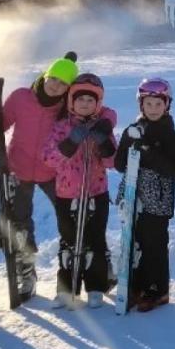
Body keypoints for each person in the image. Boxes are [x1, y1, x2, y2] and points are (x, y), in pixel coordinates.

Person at [0, 51, 78, 299]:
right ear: (45, 75)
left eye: (63, 84)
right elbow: (2, 124)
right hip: (19, 168)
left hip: (53, 170)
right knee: (21, 223)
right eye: (53, 79)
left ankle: (83, 263)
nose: (56, 86)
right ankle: (27, 271)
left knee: (71, 216)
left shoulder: (67, 108)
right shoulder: (21, 98)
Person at [42, 72, 118, 308]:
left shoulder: (102, 127)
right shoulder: (61, 127)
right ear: (71, 102)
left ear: (98, 104)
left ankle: (95, 286)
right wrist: (70, 143)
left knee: (95, 240)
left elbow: (112, 162)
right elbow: (48, 158)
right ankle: (66, 289)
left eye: (90, 101)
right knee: (69, 240)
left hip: (96, 192)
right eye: (80, 100)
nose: (85, 105)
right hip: (67, 193)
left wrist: (104, 142)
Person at [114, 77, 175, 312]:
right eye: (149, 104)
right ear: (141, 105)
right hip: (134, 195)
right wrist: (128, 143)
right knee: (134, 240)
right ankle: (135, 285)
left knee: (154, 243)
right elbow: (119, 163)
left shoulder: (170, 135)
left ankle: (157, 290)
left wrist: (147, 150)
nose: (153, 109)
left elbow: (171, 167)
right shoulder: (132, 130)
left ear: (167, 105)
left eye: (158, 104)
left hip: (158, 199)